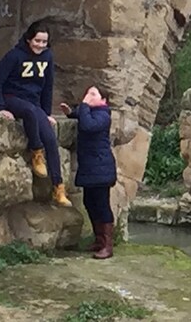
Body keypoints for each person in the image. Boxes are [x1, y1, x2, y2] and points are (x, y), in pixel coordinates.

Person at [0, 20, 72, 208]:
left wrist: (47, 112)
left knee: (50, 137)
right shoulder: (15, 56)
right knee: (29, 111)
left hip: (33, 102)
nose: (40, 46)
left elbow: (47, 86)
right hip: (12, 97)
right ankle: (36, 153)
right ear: (28, 39)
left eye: (44, 42)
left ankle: (58, 188)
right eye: (37, 41)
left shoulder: (47, 57)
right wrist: (0, 106)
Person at [60, 85, 117, 259]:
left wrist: (83, 106)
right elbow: (81, 116)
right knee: (89, 202)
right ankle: (98, 239)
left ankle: (108, 245)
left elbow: (88, 126)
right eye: (87, 93)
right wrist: (71, 112)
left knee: (101, 205)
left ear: (103, 100)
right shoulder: (91, 112)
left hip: (101, 169)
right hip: (91, 168)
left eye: (93, 94)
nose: (88, 97)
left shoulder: (103, 115)